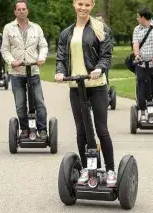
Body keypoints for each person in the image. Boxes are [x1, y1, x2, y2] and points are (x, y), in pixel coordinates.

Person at [55, 0, 117, 188]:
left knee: (101, 129)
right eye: (80, 4)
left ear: (92, 6)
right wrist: (59, 71)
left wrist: (99, 68)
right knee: (81, 130)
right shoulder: (67, 33)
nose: (83, 8)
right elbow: (61, 58)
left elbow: (106, 55)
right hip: (76, 86)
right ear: (74, 4)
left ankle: (110, 170)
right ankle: (87, 169)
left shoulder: (101, 29)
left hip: (97, 85)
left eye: (87, 5)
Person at [1, 0, 49, 140]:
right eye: (19, 9)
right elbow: (5, 50)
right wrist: (12, 61)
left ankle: (42, 129)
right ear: (15, 12)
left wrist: (41, 57)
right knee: (20, 104)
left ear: (27, 11)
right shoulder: (8, 28)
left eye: (24, 9)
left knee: (39, 101)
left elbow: (43, 45)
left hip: (33, 70)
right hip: (16, 73)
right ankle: (24, 129)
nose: (21, 11)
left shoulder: (36, 28)